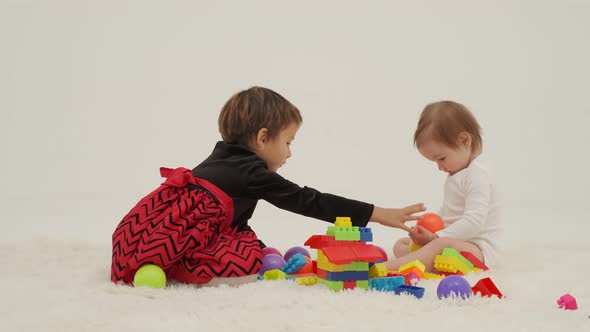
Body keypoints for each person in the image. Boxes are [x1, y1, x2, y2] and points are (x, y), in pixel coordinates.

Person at [111, 86, 425, 286]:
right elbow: (306, 200)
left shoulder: (220, 158)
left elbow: (232, 219)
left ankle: (162, 259)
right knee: (250, 258)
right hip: (182, 237)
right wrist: (376, 213)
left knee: (253, 246)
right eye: (287, 142)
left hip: (158, 230)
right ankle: (180, 266)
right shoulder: (251, 172)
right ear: (263, 139)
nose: (290, 152)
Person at [386, 101, 501, 272]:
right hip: (451, 242)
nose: (439, 167)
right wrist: (427, 231)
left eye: (441, 158)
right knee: (402, 244)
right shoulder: (456, 174)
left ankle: (388, 268)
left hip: (477, 250)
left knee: (440, 244)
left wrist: (436, 236)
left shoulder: (478, 176)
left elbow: (474, 222)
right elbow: (449, 213)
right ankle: (426, 262)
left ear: (464, 140)